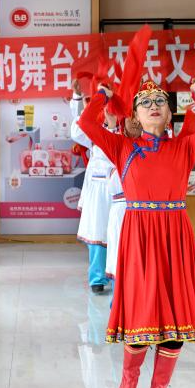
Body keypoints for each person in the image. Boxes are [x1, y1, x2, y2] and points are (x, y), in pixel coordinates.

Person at [78, 78, 195, 388]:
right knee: (142, 313)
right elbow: (86, 123)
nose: (153, 106)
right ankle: (130, 375)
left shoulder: (185, 147)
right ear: (135, 115)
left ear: (169, 113)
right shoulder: (122, 146)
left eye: (160, 101)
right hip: (140, 237)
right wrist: (101, 95)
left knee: (176, 318)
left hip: (175, 237)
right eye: (145, 103)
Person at [70, 82, 115, 293]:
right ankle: (97, 278)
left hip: (122, 189)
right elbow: (77, 129)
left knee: (119, 233)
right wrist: (78, 97)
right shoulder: (95, 130)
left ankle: (119, 276)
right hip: (98, 188)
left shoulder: (129, 129)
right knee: (97, 231)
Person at [103, 114, 142, 281]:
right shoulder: (115, 144)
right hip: (120, 210)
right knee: (118, 257)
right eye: (129, 118)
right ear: (122, 123)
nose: (134, 122)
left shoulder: (152, 146)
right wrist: (111, 127)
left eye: (137, 117)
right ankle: (118, 296)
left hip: (144, 212)